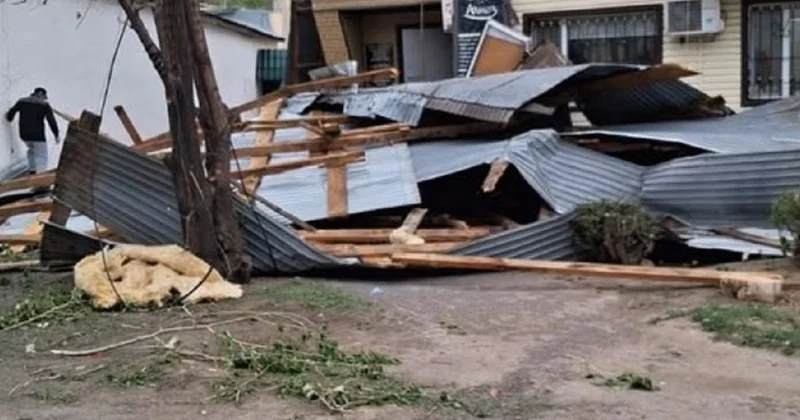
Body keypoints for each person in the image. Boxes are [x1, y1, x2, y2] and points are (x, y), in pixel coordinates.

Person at [5, 87, 60, 179]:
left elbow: (11, 114)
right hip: (38, 136)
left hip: (24, 135)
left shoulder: (22, 101)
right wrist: (56, 134)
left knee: (31, 150)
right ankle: (40, 178)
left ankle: (32, 171)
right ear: (43, 96)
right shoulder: (45, 105)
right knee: (42, 156)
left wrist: (9, 117)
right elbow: (51, 121)